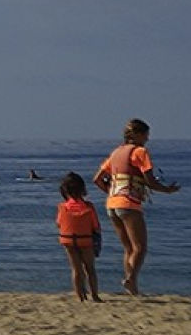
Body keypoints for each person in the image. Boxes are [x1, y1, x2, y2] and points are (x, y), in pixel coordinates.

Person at [93, 118, 180, 296]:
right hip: (129, 205)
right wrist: (168, 190)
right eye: (146, 135)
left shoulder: (116, 152)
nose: (147, 139)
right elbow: (150, 181)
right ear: (138, 135)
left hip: (112, 204)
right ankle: (131, 278)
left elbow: (97, 179)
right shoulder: (139, 152)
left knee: (128, 248)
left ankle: (131, 285)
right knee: (140, 247)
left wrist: (112, 192)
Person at [56, 172, 102, 302]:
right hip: (85, 240)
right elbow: (96, 225)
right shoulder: (89, 207)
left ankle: (80, 296)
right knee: (90, 268)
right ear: (82, 189)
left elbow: (59, 223)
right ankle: (94, 295)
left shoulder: (62, 207)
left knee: (76, 269)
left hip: (68, 240)